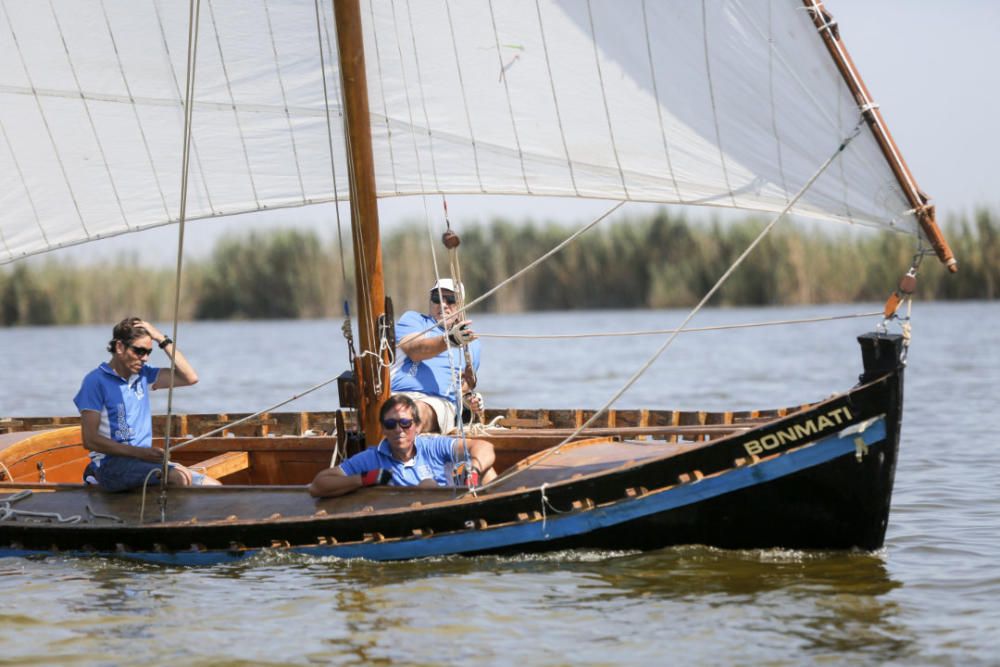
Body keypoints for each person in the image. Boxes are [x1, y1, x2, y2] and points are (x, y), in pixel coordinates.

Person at [73, 317, 219, 492]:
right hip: (109, 464)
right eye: (139, 351)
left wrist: (160, 339)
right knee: (177, 478)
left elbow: (190, 378)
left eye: (148, 352)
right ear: (119, 347)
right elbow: (90, 440)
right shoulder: (94, 382)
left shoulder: (144, 375)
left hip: (142, 461)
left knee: (214, 487)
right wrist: (142, 453)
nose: (145, 358)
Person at [308, 394, 496, 498]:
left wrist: (474, 470)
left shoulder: (433, 446)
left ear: (417, 426)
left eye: (405, 423)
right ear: (383, 429)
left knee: (486, 470)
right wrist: (365, 479)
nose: (399, 430)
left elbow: (484, 447)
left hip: (453, 508)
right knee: (426, 485)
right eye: (391, 424)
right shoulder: (372, 459)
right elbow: (318, 486)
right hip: (413, 523)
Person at [390, 278, 482, 433]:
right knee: (393, 411)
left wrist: (469, 401)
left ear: (461, 306)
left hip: (437, 403)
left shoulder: (471, 344)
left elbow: (465, 385)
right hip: (395, 396)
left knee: (413, 412)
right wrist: (450, 339)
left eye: (451, 299)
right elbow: (415, 350)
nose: (443, 304)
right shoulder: (414, 320)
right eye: (437, 298)